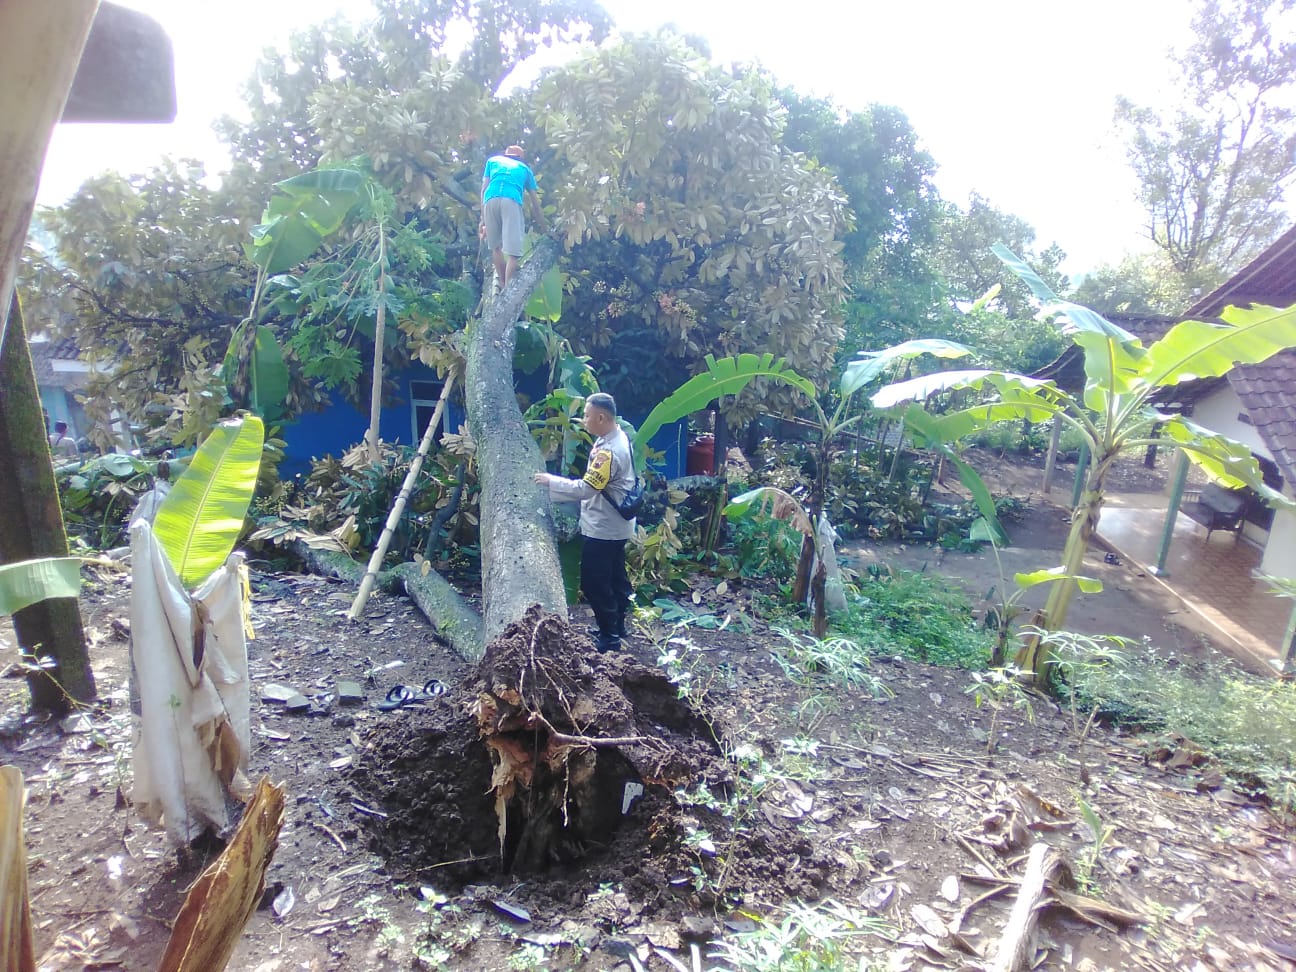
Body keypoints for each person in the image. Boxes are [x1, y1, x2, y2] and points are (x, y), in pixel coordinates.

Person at [534, 392, 635, 652]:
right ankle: (617, 626)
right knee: (615, 577)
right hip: (616, 525)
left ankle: (609, 636)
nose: (584, 420)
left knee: (595, 582)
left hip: (604, 528)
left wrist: (551, 481)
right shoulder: (617, 435)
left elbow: (587, 489)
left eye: (588, 415)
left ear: (602, 417)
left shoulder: (609, 452)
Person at [479, 144, 545, 292]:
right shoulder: (525, 169)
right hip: (511, 200)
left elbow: (483, 190)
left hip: (490, 199)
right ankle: (508, 291)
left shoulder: (493, 161)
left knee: (496, 247)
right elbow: (535, 202)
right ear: (521, 158)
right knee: (513, 254)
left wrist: (482, 220)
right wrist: (545, 228)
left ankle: (502, 284)